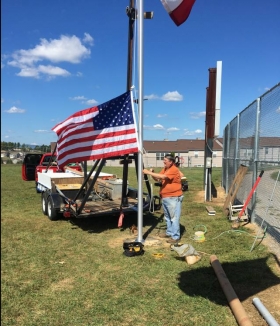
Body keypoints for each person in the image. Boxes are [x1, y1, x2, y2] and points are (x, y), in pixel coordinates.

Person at [143, 154, 184, 244]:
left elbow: (164, 177)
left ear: (171, 162)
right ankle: (169, 232)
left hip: (173, 197)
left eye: (165, 160)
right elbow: (159, 179)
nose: (163, 161)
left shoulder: (173, 169)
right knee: (168, 217)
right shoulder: (166, 169)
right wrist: (153, 173)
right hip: (166, 197)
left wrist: (148, 172)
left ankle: (175, 237)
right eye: (163, 160)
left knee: (174, 218)